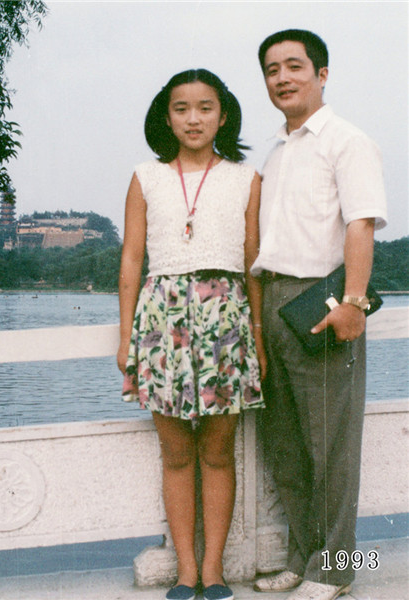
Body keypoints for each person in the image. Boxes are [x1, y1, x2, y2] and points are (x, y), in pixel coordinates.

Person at [117, 68, 266, 600]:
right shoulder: (145, 176)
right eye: (182, 108)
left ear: (223, 115)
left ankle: (214, 570)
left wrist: (258, 339)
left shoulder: (247, 178)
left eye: (205, 107)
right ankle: (184, 571)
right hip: (161, 322)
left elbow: (253, 265)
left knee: (219, 452)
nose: (193, 118)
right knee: (177, 453)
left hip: (224, 319)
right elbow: (132, 258)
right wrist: (126, 336)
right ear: (167, 116)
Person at [250, 30, 387, 600]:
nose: (282, 78)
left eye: (294, 66)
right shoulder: (276, 152)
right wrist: (258, 323)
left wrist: (353, 303)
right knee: (284, 446)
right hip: (274, 299)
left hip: (321, 304)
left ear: (321, 74)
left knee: (330, 447)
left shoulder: (347, 141)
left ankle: (332, 570)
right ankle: (303, 557)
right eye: (271, 69)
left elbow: (361, 222)